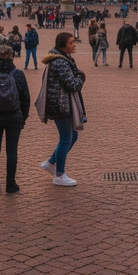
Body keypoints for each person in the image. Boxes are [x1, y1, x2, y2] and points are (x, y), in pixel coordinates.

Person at [0, 44, 31, 193]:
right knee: (12, 151)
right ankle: (10, 183)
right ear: (12, 57)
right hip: (14, 117)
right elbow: (26, 98)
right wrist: (23, 118)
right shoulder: (18, 74)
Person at [37, 32, 85, 186]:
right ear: (63, 45)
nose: (74, 44)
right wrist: (81, 77)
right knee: (66, 139)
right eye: (71, 42)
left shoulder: (62, 59)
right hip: (60, 105)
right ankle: (59, 174)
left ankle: (51, 162)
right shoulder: (61, 62)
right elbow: (73, 85)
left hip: (61, 103)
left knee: (73, 137)